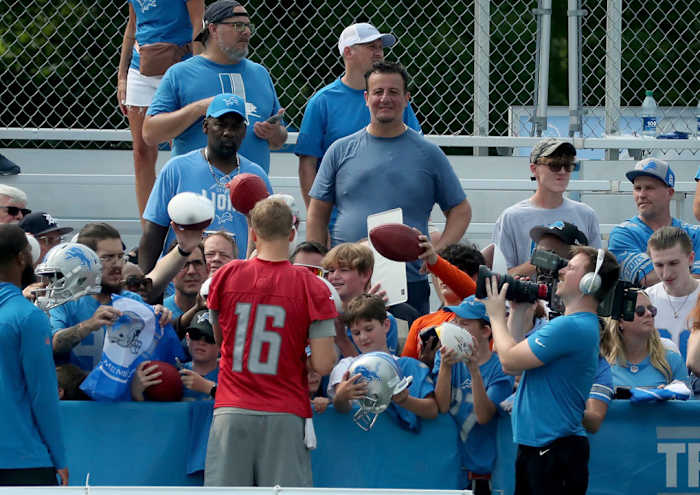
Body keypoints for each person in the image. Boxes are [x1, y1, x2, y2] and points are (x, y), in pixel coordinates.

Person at [307, 61, 470, 316]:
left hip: (408, 282)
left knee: (405, 349)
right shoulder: (339, 150)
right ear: (366, 98)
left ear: (406, 99)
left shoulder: (428, 153)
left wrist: (437, 254)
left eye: (393, 92)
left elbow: (460, 210)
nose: (385, 98)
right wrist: (320, 268)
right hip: (346, 283)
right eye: (378, 92)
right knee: (341, 350)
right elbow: (317, 213)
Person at [204, 197, 337, 487]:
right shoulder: (310, 284)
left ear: (253, 233)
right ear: (292, 234)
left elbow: (220, 338)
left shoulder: (226, 275)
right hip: (285, 411)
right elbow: (324, 364)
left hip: (232, 407)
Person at [481, 246, 619, 495]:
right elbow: (515, 363)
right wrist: (518, 310)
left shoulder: (570, 326)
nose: (562, 271)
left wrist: (495, 316)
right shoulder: (574, 325)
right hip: (542, 447)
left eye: (572, 267)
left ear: (590, 283)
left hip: (554, 450)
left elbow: (508, 361)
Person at [142, 0, 286, 174]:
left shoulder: (260, 73)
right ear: (213, 29)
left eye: (249, 26)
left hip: (249, 192)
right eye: (238, 26)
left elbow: (279, 140)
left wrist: (273, 132)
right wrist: (198, 108)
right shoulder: (180, 73)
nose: (247, 32)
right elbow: (150, 134)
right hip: (196, 192)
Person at [140, 93, 272, 274]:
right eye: (220, 124)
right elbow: (153, 233)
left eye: (235, 126)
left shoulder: (256, 176)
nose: (228, 132)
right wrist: (145, 287)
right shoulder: (178, 168)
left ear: (244, 131)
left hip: (235, 282)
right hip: (183, 281)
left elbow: (268, 237)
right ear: (205, 126)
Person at [295, 22, 420, 209]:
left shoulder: (393, 99)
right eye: (371, 47)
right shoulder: (322, 102)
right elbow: (308, 165)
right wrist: (317, 221)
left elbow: (416, 151)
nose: (379, 53)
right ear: (348, 52)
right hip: (339, 217)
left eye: (380, 48)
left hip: (390, 212)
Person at [49, 223, 182, 372]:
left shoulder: (133, 301)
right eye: (108, 257)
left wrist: (158, 319)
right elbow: (53, 344)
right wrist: (89, 325)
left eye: (120, 256)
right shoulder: (63, 300)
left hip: (119, 393)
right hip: (73, 393)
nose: (118, 265)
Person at [117, 0, 204, 224]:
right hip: (141, 68)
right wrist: (122, 77)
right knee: (142, 152)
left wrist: (195, 72)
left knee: (184, 151)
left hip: (179, 64)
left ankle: (187, 222)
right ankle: (150, 228)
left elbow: (198, 24)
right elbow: (132, 25)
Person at [0, 225, 68, 486]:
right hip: (23, 460)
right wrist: (59, 458)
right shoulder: (28, 317)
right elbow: (43, 394)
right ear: (21, 258)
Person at [433, 297, 513, 494]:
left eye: (464, 324)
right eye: (455, 321)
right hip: (449, 467)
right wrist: (445, 366)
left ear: (486, 331)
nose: (455, 328)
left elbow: (484, 416)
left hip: (482, 471)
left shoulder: (500, 368)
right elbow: (441, 406)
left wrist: (474, 371)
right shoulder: (445, 358)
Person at [492, 139, 601, 276]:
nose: (562, 171)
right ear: (534, 169)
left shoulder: (586, 214)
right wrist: (544, 260)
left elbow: (596, 273)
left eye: (568, 165)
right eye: (554, 165)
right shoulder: (511, 217)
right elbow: (499, 277)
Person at [330, 294, 438, 423]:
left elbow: (432, 410)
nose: (363, 337)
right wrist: (341, 397)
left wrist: (406, 401)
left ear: (386, 325)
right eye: (356, 333)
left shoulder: (409, 366)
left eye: (369, 329)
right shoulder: (345, 367)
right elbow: (341, 408)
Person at [609, 157, 700, 286]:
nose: (641, 195)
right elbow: (647, 279)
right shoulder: (623, 234)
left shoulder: (695, 234)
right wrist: (687, 271)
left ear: (669, 193)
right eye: (637, 188)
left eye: (649, 188)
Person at [402, 239, 483, 359]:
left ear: (475, 277)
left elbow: (474, 293)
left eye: (455, 272)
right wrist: (425, 365)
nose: (444, 278)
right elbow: (408, 370)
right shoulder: (420, 323)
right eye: (441, 273)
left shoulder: (482, 315)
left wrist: (435, 262)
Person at [322, 242, 399, 356]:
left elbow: (374, 368)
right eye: (331, 270)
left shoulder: (384, 319)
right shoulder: (323, 315)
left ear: (365, 274)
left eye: (344, 270)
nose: (334, 276)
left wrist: (343, 341)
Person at [602, 290, 688, 389]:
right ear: (620, 321)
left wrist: (670, 400)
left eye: (652, 309)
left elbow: (689, 402)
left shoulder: (672, 360)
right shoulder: (601, 363)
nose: (648, 314)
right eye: (640, 311)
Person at [645, 227, 700, 361]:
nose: (666, 273)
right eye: (659, 265)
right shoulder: (646, 299)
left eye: (673, 263)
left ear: (690, 258)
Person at [163, 242, 208, 321]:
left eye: (197, 263)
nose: (191, 271)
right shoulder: (159, 313)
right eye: (183, 264)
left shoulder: (218, 311)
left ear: (207, 269)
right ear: (170, 273)